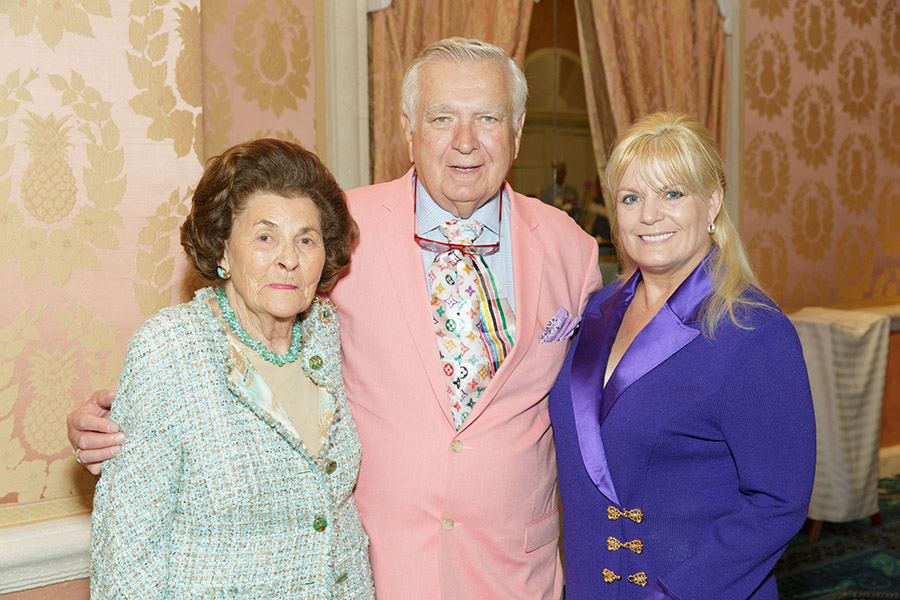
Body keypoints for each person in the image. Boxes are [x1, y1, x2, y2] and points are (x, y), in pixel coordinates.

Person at [69, 38, 602, 598]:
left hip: (515, 571)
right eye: (442, 117)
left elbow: (606, 391)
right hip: (381, 567)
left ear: (517, 128)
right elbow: (224, 339)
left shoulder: (573, 249)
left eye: (487, 118)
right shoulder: (339, 227)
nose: (465, 141)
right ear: (408, 129)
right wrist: (111, 423)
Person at [89, 139, 374, 599]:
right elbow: (126, 551)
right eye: (265, 237)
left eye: (306, 239)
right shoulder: (171, 348)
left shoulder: (328, 332)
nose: (289, 257)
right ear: (222, 249)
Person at [548, 112, 815, 599]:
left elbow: (779, 502)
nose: (649, 215)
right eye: (631, 198)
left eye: (672, 194)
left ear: (712, 202)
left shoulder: (753, 331)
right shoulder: (597, 311)